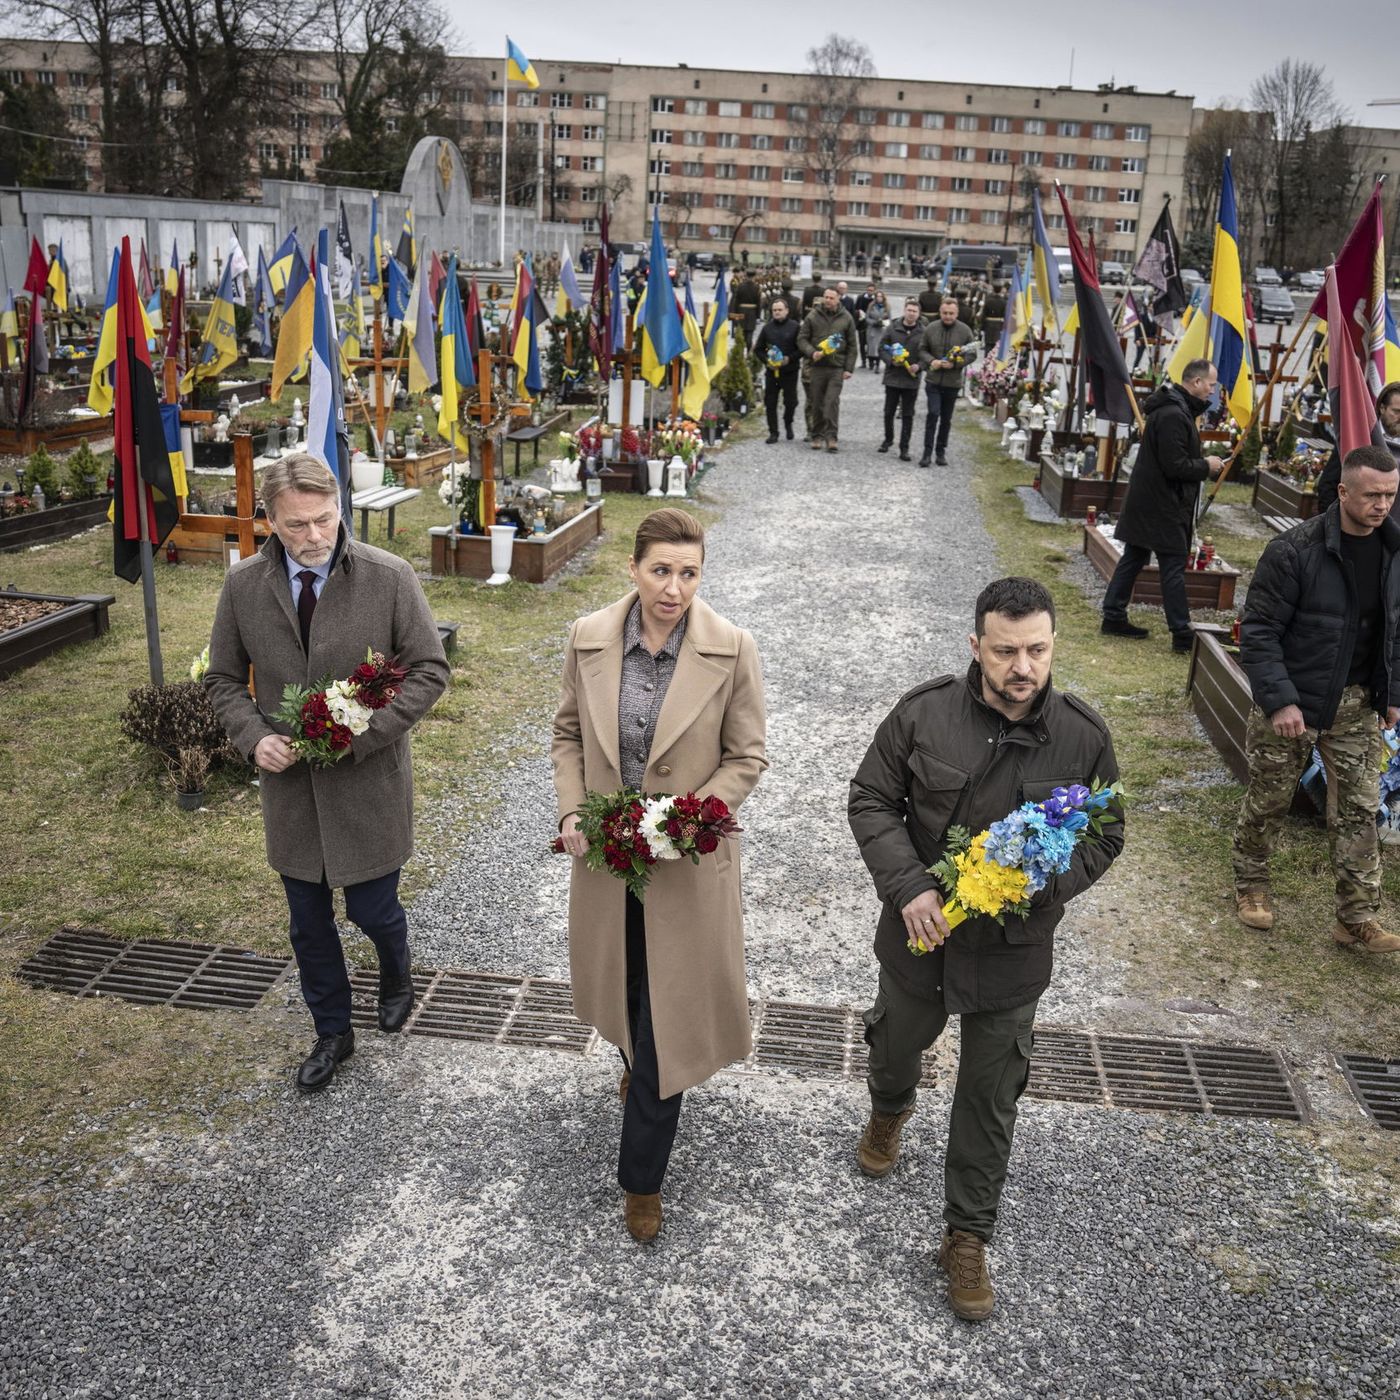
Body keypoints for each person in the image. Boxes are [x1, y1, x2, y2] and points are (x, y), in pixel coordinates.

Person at [848, 577, 1122, 1321]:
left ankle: (967, 1235)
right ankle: (888, 1107)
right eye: (1005, 651)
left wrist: (1035, 885)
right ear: (976, 647)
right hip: (920, 936)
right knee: (895, 1048)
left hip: (1013, 950)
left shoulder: (1083, 737)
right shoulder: (924, 713)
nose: (1021, 667)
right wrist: (909, 885)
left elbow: (1105, 833)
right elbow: (871, 799)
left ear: (1053, 645)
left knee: (990, 1096)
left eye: (1036, 649)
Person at [551, 508, 768, 1242]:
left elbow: (748, 757)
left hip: (686, 866)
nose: (674, 588)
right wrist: (574, 812)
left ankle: (641, 1179)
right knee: (626, 987)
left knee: (667, 1015)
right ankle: (635, 1058)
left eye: (689, 573)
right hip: (609, 862)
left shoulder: (732, 649)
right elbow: (568, 733)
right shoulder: (588, 638)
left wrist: (691, 819)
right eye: (661, 571)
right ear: (634, 568)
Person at [203, 455, 450, 1091]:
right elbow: (224, 679)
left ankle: (396, 968)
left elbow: (429, 670)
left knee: (373, 909)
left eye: (324, 520)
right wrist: (253, 737)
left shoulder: (387, 577)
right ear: (268, 521)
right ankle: (332, 1032)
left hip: (368, 783)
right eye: (295, 526)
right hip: (289, 792)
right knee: (308, 922)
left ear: (340, 508)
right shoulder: (242, 589)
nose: (313, 537)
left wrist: (364, 733)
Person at [1231, 444, 1400, 951]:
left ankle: (1356, 918)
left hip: (1355, 707)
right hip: (1293, 704)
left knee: (1359, 809)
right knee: (1270, 800)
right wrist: (1281, 701)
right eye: (1372, 495)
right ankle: (1251, 886)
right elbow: (1258, 630)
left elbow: (1395, 632)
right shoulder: (1294, 551)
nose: (1382, 506)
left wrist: (1392, 693)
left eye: (1391, 496)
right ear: (1343, 491)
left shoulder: (1395, 553)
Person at [1100, 359, 1224, 652]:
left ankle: (1113, 616)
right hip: (1163, 504)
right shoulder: (1173, 414)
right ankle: (1181, 633)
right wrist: (1206, 465)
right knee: (1171, 567)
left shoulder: (1176, 410)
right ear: (1195, 382)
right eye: (1211, 384)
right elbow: (1174, 465)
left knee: (1134, 557)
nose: (1212, 390)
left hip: (1152, 500)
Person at [1315, 382, 1400, 513]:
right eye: (1397, 412)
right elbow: (1328, 485)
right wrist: (1333, 527)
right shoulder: (1359, 437)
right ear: (1382, 408)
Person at [917, 295, 978, 468]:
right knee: (933, 414)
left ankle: (940, 451)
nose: (948, 316)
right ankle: (927, 453)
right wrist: (931, 361)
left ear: (957, 313)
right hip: (933, 380)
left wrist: (956, 363)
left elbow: (972, 354)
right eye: (945, 313)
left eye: (951, 313)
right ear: (940, 312)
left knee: (946, 419)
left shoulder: (965, 331)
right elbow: (922, 349)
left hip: (952, 382)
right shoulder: (931, 328)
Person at [798, 285, 859, 453]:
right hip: (817, 367)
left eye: (832, 298)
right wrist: (812, 352)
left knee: (831, 401)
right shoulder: (813, 316)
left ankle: (831, 437)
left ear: (838, 299)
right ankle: (817, 435)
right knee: (816, 402)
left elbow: (853, 345)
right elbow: (802, 339)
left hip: (836, 368)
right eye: (826, 297)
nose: (828, 300)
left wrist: (849, 368)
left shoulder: (846, 318)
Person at [877, 299, 925, 461]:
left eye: (914, 311)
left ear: (918, 314)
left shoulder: (923, 332)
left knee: (908, 414)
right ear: (904, 310)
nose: (911, 313)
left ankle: (904, 447)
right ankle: (888, 439)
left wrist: (919, 366)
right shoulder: (892, 328)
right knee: (888, 412)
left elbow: (927, 354)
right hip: (893, 377)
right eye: (909, 310)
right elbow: (882, 347)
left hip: (911, 379)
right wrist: (890, 361)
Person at [751, 295, 801, 444]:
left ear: (786, 311)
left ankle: (788, 422)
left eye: (780, 310)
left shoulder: (795, 327)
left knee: (791, 401)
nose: (777, 312)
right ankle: (773, 432)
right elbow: (758, 349)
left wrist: (789, 359)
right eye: (774, 310)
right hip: (772, 372)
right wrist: (766, 361)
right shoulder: (767, 328)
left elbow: (801, 349)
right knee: (770, 402)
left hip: (790, 370)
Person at [733, 269, 763, 348]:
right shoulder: (757, 287)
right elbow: (759, 303)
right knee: (749, 334)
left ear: (746, 276)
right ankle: (749, 353)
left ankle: (740, 354)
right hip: (752, 313)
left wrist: (735, 315)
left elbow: (736, 302)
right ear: (754, 276)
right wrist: (758, 316)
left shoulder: (740, 286)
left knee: (741, 333)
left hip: (741, 311)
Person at [863, 288, 889, 371]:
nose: (879, 298)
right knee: (871, 348)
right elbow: (867, 318)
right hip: (872, 329)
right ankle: (871, 363)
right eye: (877, 296)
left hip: (881, 330)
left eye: (880, 296)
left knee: (878, 348)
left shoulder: (887, 307)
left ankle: (877, 365)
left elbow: (890, 319)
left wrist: (883, 323)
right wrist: (874, 322)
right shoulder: (871, 306)